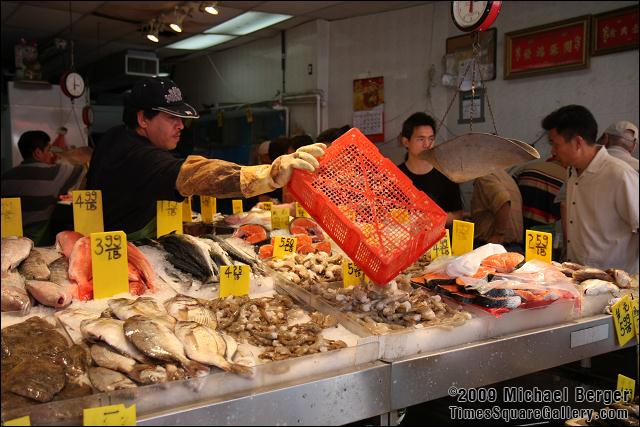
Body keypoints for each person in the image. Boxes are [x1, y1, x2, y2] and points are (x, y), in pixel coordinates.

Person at [86, 77, 325, 240]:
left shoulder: (116, 135)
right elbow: (192, 174)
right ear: (143, 119)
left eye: (181, 118)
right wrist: (268, 175)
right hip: (116, 246)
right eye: (171, 117)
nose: (181, 125)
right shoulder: (139, 156)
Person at [542, 105, 638, 273]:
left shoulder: (619, 174)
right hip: (579, 278)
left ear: (578, 142)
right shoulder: (573, 171)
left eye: (555, 144)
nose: (553, 151)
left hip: (615, 286)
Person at [1, 130, 84, 245]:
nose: (51, 154)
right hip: (38, 246)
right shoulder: (52, 174)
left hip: (9, 244)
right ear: (38, 153)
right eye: (49, 149)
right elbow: (83, 164)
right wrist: (64, 154)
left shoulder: (6, 177)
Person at [397, 112, 464, 226]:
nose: (427, 144)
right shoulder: (395, 175)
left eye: (431, 139)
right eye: (421, 139)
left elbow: (458, 215)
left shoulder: (446, 173)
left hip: (441, 241)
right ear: (406, 141)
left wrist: (433, 220)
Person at [470, 169, 524, 252]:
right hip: (513, 247)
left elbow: (503, 200)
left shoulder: (485, 176)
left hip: (495, 247)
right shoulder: (507, 178)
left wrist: (499, 234)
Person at [512, 156, 566, 231]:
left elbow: (509, 192)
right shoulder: (567, 180)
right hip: (543, 233)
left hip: (516, 226)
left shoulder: (525, 168)